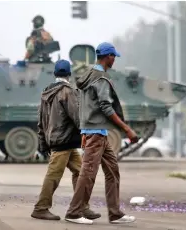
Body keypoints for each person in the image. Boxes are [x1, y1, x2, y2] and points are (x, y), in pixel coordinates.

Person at [64, 42, 139, 225]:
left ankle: (115, 214)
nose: (115, 60)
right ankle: (74, 212)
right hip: (96, 132)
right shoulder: (101, 79)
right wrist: (127, 129)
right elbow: (106, 107)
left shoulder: (88, 74)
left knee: (112, 172)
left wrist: (84, 127)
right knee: (88, 172)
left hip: (97, 131)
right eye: (114, 57)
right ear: (108, 57)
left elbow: (85, 103)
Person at [31, 59, 101, 221]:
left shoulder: (46, 92)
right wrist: (90, 131)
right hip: (64, 142)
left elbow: (41, 120)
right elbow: (78, 117)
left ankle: (82, 207)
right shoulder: (68, 92)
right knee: (54, 175)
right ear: (69, 74)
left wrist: (43, 143)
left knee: (79, 171)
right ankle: (41, 208)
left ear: (55, 74)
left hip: (58, 141)